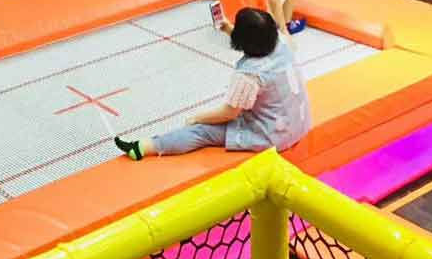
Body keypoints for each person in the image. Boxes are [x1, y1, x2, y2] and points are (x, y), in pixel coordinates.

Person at [114, 8, 310, 160]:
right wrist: (227, 29)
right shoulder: (281, 43)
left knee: (201, 131)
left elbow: (229, 113)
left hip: (274, 135)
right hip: (298, 122)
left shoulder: (249, 75)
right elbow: (256, 41)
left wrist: (197, 117)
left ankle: (143, 147)